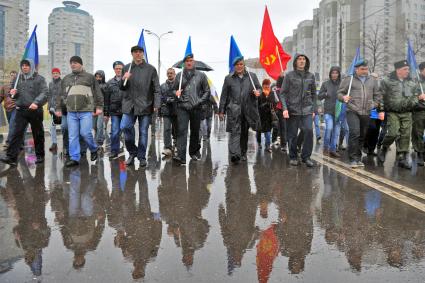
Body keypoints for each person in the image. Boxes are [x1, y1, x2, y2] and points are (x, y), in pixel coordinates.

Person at [55, 56, 103, 167]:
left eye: (75, 63)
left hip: (86, 110)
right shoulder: (66, 78)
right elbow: (60, 95)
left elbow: (98, 93)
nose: (73, 65)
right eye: (71, 63)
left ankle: (94, 149)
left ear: (81, 64)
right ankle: (74, 158)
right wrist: (58, 108)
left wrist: (99, 106)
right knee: (72, 136)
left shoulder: (90, 77)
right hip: (71, 111)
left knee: (85, 133)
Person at [377, 60, 425, 169]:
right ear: (398, 70)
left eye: (408, 69)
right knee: (393, 133)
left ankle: (402, 158)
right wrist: (380, 110)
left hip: (407, 112)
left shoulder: (411, 82)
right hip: (393, 112)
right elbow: (380, 97)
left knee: (405, 136)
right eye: (405, 69)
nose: (407, 71)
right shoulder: (387, 81)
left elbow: (415, 97)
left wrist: (417, 99)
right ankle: (384, 148)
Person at [0, 59, 48, 166]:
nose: (24, 67)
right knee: (16, 133)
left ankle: (40, 155)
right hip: (21, 110)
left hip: (35, 110)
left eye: (27, 65)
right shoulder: (18, 78)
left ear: (31, 66)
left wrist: (36, 102)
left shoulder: (39, 79)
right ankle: (11, 157)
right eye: (23, 65)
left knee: (38, 134)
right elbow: (13, 94)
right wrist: (13, 93)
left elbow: (45, 93)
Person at [337, 60, 384, 168]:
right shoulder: (349, 79)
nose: (365, 71)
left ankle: (358, 158)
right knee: (355, 133)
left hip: (366, 111)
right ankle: (352, 159)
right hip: (352, 110)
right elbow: (339, 93)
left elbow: (378, 95)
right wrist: (343, 97)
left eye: (366, 69)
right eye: (362, 69)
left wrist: (374, 104)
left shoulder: (372, 80)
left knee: (362, 135)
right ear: (356, 69)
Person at [120, 46, 160, 167]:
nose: (138, 54)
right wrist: (123, 79)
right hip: (129, 105)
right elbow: (122, 88)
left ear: (143, 54)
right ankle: (133, 152)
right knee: (125, 127)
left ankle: (142, 157)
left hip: (145, 105)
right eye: (135, 52)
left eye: (140, 52)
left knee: (143, 132)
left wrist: (156, 104)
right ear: (132, 54)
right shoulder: (127, 68)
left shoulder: (151, 69)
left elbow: (156, 88)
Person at [219, 56, 261, 164]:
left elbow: (258, 88)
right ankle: (235, 154)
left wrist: (258, 92)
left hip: (247, 110)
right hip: (233, 109)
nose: (239, 66)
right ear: (234, 66)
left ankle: (243, 153)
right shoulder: (229, 78)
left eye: (241, 64)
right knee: (234, 132)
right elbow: (224, 95)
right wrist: (221, 111)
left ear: (244, 65)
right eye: (237, 65)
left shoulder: (252, 76)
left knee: (244, 133)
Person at [279, 53, 317, 167]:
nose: (302, 61)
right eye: (299, 59)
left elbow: (314, 94)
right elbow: (282, 93)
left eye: (304, 59)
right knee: (292, 135)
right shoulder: (289, 76)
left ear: (306, 62)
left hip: (307, 109)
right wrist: (285, 108)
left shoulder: (311, 76)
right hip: (292, 110)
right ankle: (293, 156)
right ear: (295, 62)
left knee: (309, 131)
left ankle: (306, 157)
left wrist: (314, 108)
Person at [173, 52, 210, 165]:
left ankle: (194, 152)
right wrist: (176, 92)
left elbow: (207, 91)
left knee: (195, 131)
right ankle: (181, 156)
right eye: (187, 61)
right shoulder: (179, 75)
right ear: (184, 63)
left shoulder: (201, 75)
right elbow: (173, 90)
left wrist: (199, 101)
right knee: (182, 131)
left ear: (194, 62)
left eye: (191, 61)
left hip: (196, 107)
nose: (189, 63)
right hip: (182, 107)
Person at [318, 66, 342, 157]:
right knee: (329, 128)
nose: (334, 74)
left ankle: (333, 149)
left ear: (339, 74)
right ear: (330, 74)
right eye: (333, 73)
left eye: (336, 73)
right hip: (328, 110)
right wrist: (325, 94)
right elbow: (319, 96)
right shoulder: (325, 84)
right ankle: (325, 147)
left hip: (338, 111)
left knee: (336, 132)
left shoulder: (342, 84)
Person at [104, 61, 125, 159]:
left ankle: (131, 151)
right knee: (115, 131)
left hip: (126, 110)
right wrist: (106, 113)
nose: (118, 70)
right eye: (117, 68)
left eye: (120, 68)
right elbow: (106, 99)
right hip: (114, 111)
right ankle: (114, 150)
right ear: (114, 70)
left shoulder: (127, 81)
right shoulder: (109, 83)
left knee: (127, 130)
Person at [159, 67, 178, 157]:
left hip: (176, 111)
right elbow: (160, 97)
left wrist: (176, 98)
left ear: (175, 74)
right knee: (167, 129)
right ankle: (167, 147)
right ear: (167, 74)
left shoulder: (179, 85)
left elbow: (182, 96)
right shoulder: (162, 86)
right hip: (166, 110)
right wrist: (166, 99)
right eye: (168, 73)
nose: (170, 74)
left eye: (171, 73)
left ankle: (176, 143)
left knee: (176, 129)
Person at [256, 79, 276, 153]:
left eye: (268, 84)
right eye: (265, 84)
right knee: (259, 131)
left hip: (268, 116)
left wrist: (271, 104)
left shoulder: (271, 93)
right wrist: (264, 104)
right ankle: (259, 143)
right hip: (260, 116)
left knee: (268, 132)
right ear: (262, 85)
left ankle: (267, 146)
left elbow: (274, 103)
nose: (267, 86)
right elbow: (257, 104)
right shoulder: (260, 93)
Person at [412, 62, 425, 166]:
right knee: (418, 133)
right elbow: (407, 97)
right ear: (421, 70)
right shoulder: (414, 82)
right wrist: (418, 97)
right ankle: (420, 153)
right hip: (419, 111)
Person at [0, 70, 18, 148]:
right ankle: (18, 142)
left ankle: (8, 142)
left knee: (12, 125)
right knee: (13, 126)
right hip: (7, 109)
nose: (12, 76)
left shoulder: (18, 86)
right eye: (11, 75)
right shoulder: (4, 86)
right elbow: (1, 97)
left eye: (14, 75)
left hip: (16, 108)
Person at [47, 68, 62, 153]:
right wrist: (49, 107)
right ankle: (54, 143)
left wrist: (60, 108)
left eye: (57, 73)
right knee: (52, 127)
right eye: (54, 73)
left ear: (59, 74)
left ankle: (66, 144)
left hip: (60, 108)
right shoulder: (50, 84)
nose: (55, 74)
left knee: (64, 127)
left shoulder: (62, 83)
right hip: (52, 108)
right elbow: (49, 96)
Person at [94, 70, 107, 148]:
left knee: (99, 125)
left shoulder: (105, 86)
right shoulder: (92, 86)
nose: (98, 78)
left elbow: (106, 99)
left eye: (99, 77)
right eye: (96, 76)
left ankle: (98, 142)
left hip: (101, 108)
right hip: (93, 108)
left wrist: (106, 112)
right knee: (94, 126)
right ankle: (100, 136)